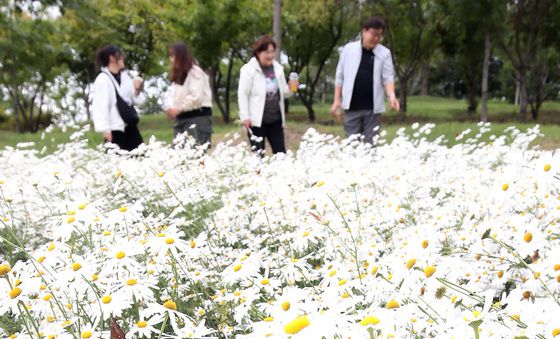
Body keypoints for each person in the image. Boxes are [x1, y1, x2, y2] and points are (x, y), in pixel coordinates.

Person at [330, 16, 399, 144]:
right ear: (364, 31)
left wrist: (392, 96)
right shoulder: (348, 49)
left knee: (370, 147)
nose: (376, 38)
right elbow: (340, 76)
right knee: (352, 145)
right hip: (351, 107)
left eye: (379, 36)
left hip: (372, 109)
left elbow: (388, 78)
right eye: (373, 34)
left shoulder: (384, 53)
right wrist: (336, 100)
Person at [238, 35, 297, 155]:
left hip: (276, 119)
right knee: (258, 155)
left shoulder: (278, 69)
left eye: (272, 52)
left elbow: (284, 92)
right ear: (258, 53)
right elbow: (242, 94)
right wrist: (245, 116)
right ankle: (258, 174)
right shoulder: (248, 70)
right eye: (266, 52)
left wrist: (292, 88)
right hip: (256, 121)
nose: (270, 55)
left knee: (281, 154)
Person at [92, 45, 145, 151]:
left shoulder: (125, 77)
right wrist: (105, 129)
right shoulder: (103, 79)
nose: (122, 59)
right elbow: (100, 106)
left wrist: (137, 89)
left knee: (141, 159)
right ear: (112, 58)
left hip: (130, 127)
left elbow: (135, 100)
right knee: (117, 164)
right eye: (120, 56)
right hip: (114, 129)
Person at [163, 42, 213, 146]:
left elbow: (196, 98)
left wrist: (179, 108)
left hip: (197, 118)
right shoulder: (178, 76)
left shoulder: (195, 73)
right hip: (181, 119)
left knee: (194, 155)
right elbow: (172, 96)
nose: (171, 59)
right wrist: (171, 109)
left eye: (173, 56)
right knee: (178, 156)